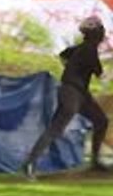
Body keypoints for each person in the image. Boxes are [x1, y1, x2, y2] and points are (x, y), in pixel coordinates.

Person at [22, 16, 109, 179]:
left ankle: (95, 161)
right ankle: (29, 162)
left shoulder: (80, 48)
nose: (102, 34)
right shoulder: (89, 49)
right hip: (72, 92)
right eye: (100, 31)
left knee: (101, 121)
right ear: (96, 34)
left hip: (79, 92)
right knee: (56, 128)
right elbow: (100, 74)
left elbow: (63, 55)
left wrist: (72, 69)